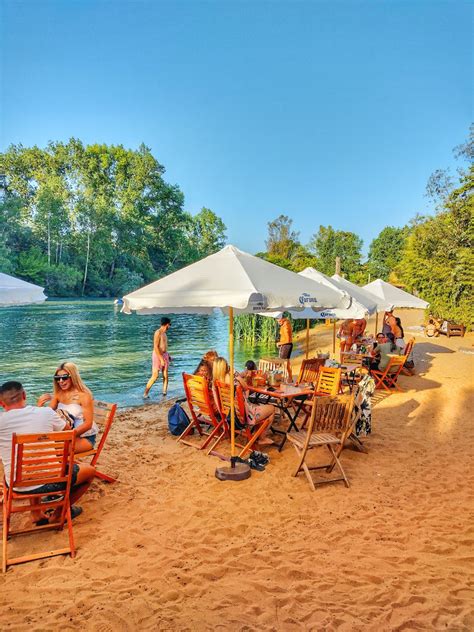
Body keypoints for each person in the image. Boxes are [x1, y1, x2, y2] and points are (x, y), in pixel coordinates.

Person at [0, 381, 95, 525]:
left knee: (27, 463)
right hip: (53, 482)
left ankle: (36, 513)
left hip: (15, 485)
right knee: (89, 471)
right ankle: (58, 513)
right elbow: (68, 431)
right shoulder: (46, 413)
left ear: (1, 403)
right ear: (24, 395)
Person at [38, 361, 99, 454]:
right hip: (64, 436)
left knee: (52, 450)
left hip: (84, 438)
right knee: (41, 446)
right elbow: (48, 415)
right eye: (58, 378)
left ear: (73, 377)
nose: (61, 381)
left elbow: (88, 424)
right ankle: (67, 467)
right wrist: (39, 406)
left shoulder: (84, 395)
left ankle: (74, 468)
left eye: (64, 377)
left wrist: (69, 435)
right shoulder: (58, 394)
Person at [143, 317, 171, 398]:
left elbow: (164, 346)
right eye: (170, 324)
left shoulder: (165, 334)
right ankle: (145, 394)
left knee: (165, 375)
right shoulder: (157, 333)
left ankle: (164, 393)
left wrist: (168, 355)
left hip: (165, 355)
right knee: (155, 376)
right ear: (166, 324)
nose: (170, 326)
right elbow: (155, 347)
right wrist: (161, 359)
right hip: (157, 355)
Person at [277, 315, 293, 381]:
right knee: (287, 363)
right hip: (287, 345)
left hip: (286, 345)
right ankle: (290, 378)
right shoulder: (285, 324)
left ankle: (277, 378)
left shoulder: (286, 326)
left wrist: (279, 343)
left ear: (283, 318)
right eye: (277, 321)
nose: (278, 322)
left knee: (280, 363)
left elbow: (288, 340)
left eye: (279, 320)